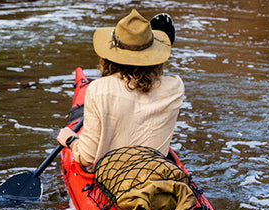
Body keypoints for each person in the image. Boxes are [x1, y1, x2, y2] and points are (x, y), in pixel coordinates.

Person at [56, 10, 183, 173]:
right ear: (154, 56)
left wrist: (70, 140)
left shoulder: (97, 89)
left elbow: (86, 157)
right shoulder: (176, 87)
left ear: (110, 55)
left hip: (112, 180)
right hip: (155, 174)